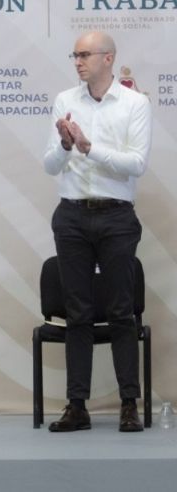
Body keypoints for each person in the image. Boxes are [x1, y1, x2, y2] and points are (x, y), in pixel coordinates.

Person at [43, 31, 151, 433]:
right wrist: (66, 146)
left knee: (122, 311)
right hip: (71, 215)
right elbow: (51, 166)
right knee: (78, 314)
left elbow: (136, 163)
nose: (78, 61)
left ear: (109, 58)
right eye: (75, 55)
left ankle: (129, 404)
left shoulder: (135, 103)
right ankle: (77, 406)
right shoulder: (65, 101)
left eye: (86, 54)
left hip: (117, 217)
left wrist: (89, 147)